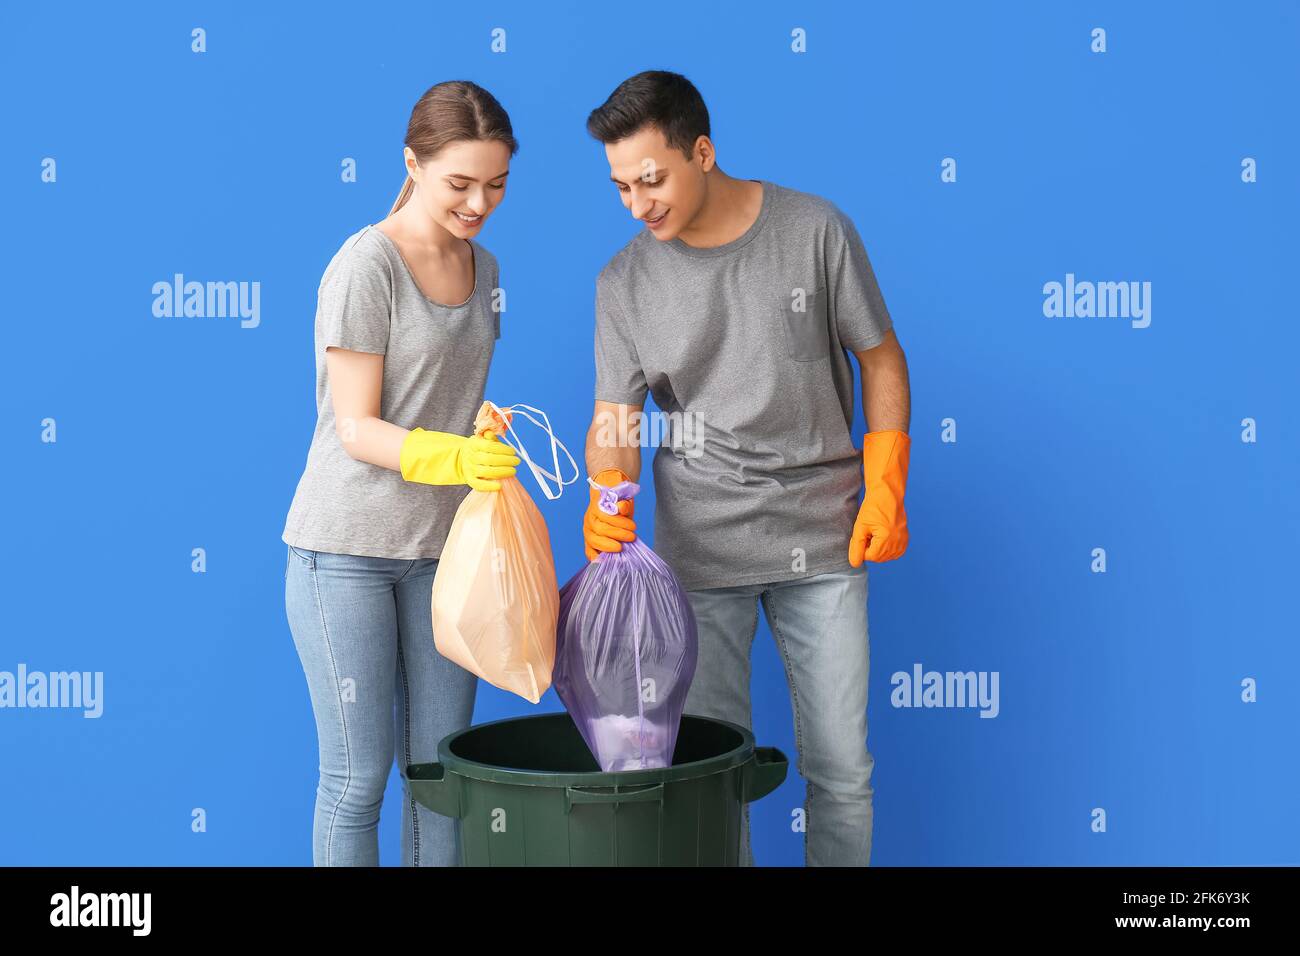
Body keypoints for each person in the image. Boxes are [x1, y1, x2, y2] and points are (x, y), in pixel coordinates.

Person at [581, 71, 912, 867]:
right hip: (700, 551)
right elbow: (616, 419)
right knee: (711, 773)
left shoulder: (815, 230)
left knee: (840, 767)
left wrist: (887, 483)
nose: (638, 203)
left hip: (827, 538)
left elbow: (881, 357)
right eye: (621, 186)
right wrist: (608, 492)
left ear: (703, 151)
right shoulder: (624, 282)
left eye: (652, 179)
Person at [281, 80, 520, 866]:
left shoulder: (486, 273)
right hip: (344, 551)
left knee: (441, 776)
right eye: (459, 183)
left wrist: (478, 432)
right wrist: (452, 455)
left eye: (496, 183)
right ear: (412, 164)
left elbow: (441, 399)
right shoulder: (366, 265)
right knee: (357, 782)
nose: (478, 202)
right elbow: (355, 427)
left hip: (439, 551)